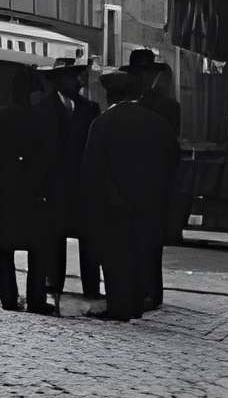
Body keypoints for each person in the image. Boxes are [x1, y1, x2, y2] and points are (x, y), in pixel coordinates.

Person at [77, 69, 176, 321]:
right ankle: (136, 303)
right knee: (141, 253)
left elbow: (91, 168)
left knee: (115, 257)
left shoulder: (102, 124)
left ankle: (118, 305)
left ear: (109, 95)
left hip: (113, 205)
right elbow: (172, 163)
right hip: (149, 204)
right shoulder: (158, 123)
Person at [0, 67, 70, 315]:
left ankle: (8, 297)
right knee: (37, 247)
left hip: (3, 191)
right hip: (35, 191)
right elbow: (54, 159)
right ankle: (36, 298)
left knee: (5, 248)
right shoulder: (42, 122)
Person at [126, 48, 183, 313]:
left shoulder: (165, 107)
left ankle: (150, 290)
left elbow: (170, 148)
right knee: (141, 239)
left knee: (149, 238)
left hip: (152, 180)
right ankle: (145, 289)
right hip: (141, 179)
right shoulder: (135, 104)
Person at [47, 60, 102, 299]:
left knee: (88, 239)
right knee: (54, 237)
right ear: (59, 80)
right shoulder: (43, 109)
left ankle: (92, 287)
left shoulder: (90, 109)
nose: (79, 83)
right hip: (55, 186)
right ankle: (53, 283)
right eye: (73, 77)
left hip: (83, 187)